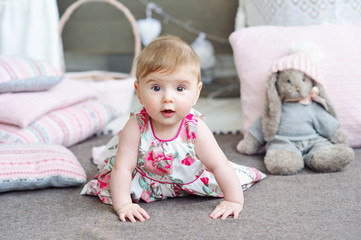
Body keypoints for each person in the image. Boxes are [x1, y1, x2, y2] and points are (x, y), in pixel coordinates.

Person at [81, 35, 265, 223]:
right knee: (116, 174)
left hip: (189, 177)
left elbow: (219, 165)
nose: (168, 98)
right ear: (138, 92)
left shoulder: (195, 128)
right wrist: (124, 205)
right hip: (147, 178)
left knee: (229, 176)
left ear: (196, 93)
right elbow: (123, 168)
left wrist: (233, 201)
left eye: (179, 88)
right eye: (156, 88)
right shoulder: (136, 125)